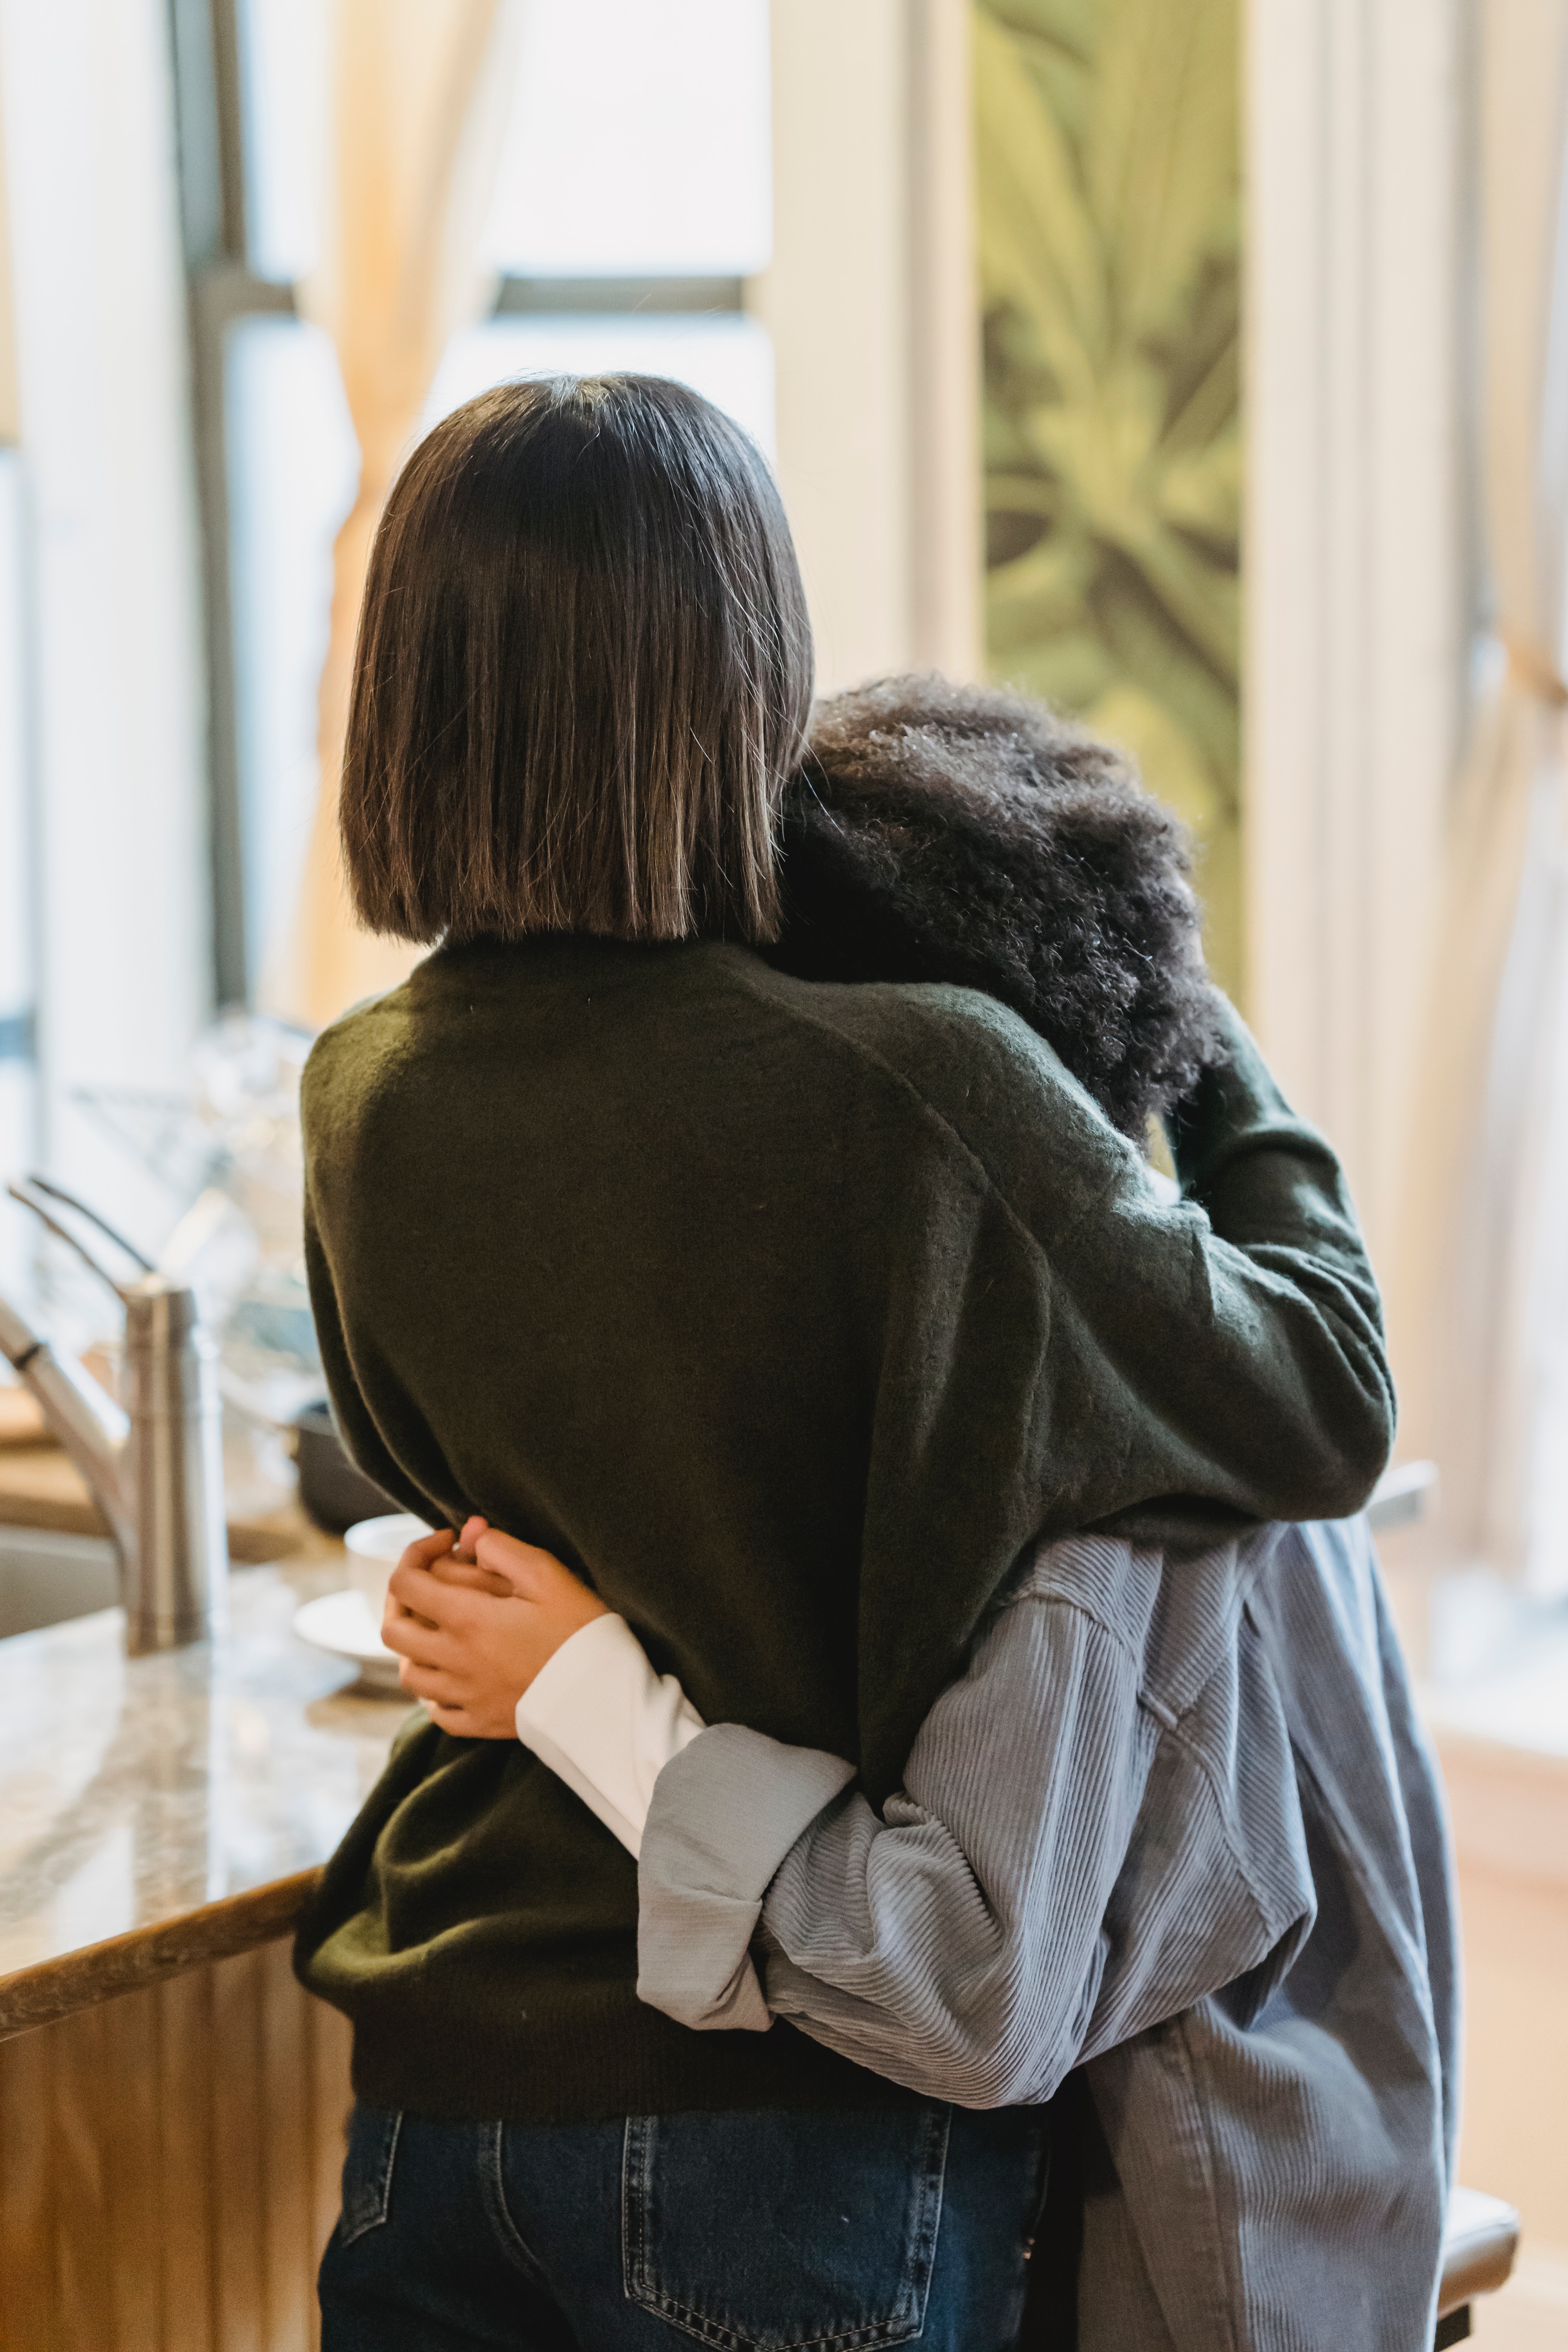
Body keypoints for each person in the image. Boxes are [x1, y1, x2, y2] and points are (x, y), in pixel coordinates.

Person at [295, 374, 1394, 2349]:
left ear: (409, 691)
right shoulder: (925, 1094)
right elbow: (1320, 1401)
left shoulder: (358, 1099)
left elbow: (405, 1473)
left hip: (440, 2076)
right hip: (791, 2111)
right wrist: (1192, 1013)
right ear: (744, 675)